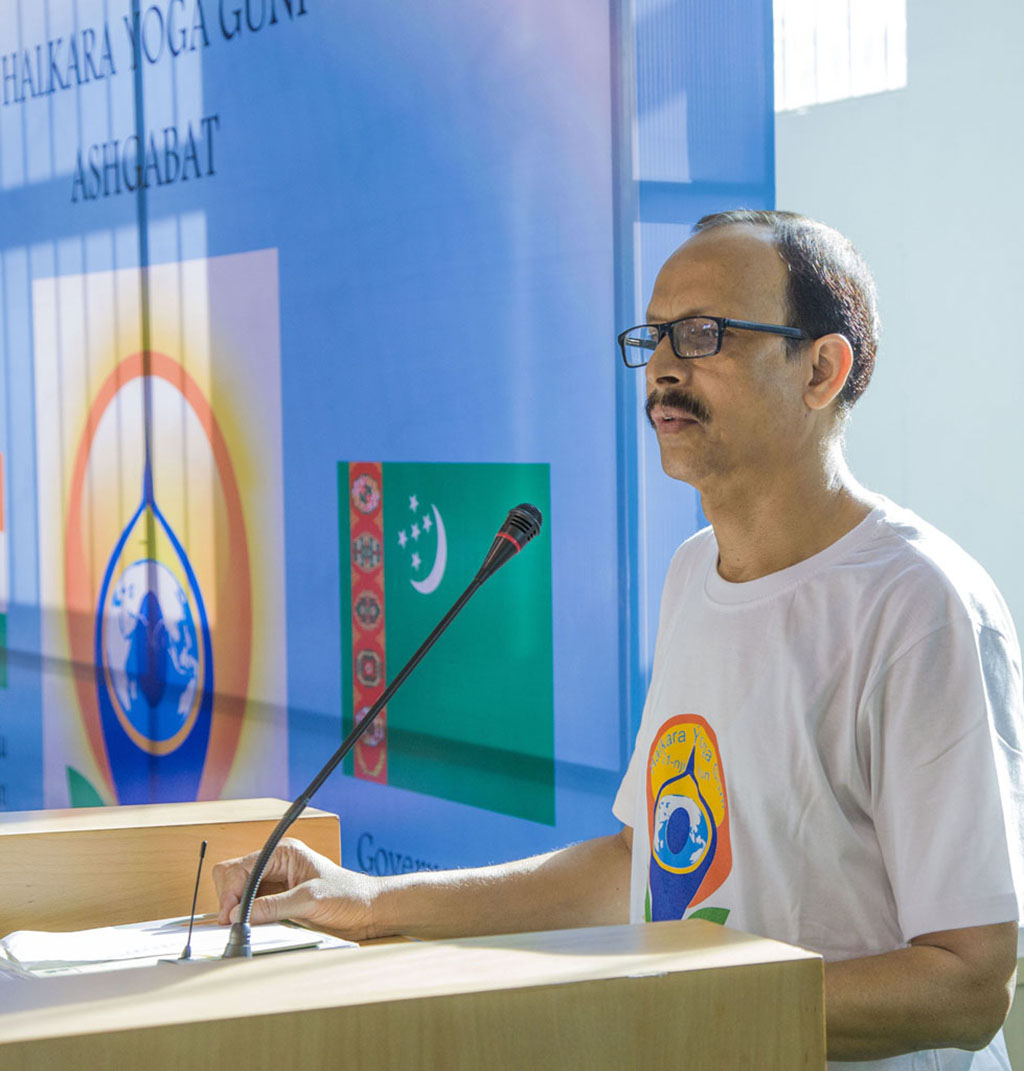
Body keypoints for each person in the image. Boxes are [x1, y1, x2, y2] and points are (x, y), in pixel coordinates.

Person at [214, 211, 1023, 1068]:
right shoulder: (693, 574)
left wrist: (677, 1007)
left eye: (705, 334)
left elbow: (966, 984)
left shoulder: (918, 605)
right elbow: (637, 869)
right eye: (655, 336)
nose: (665, 368)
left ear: (822, 369)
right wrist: (372, 901)